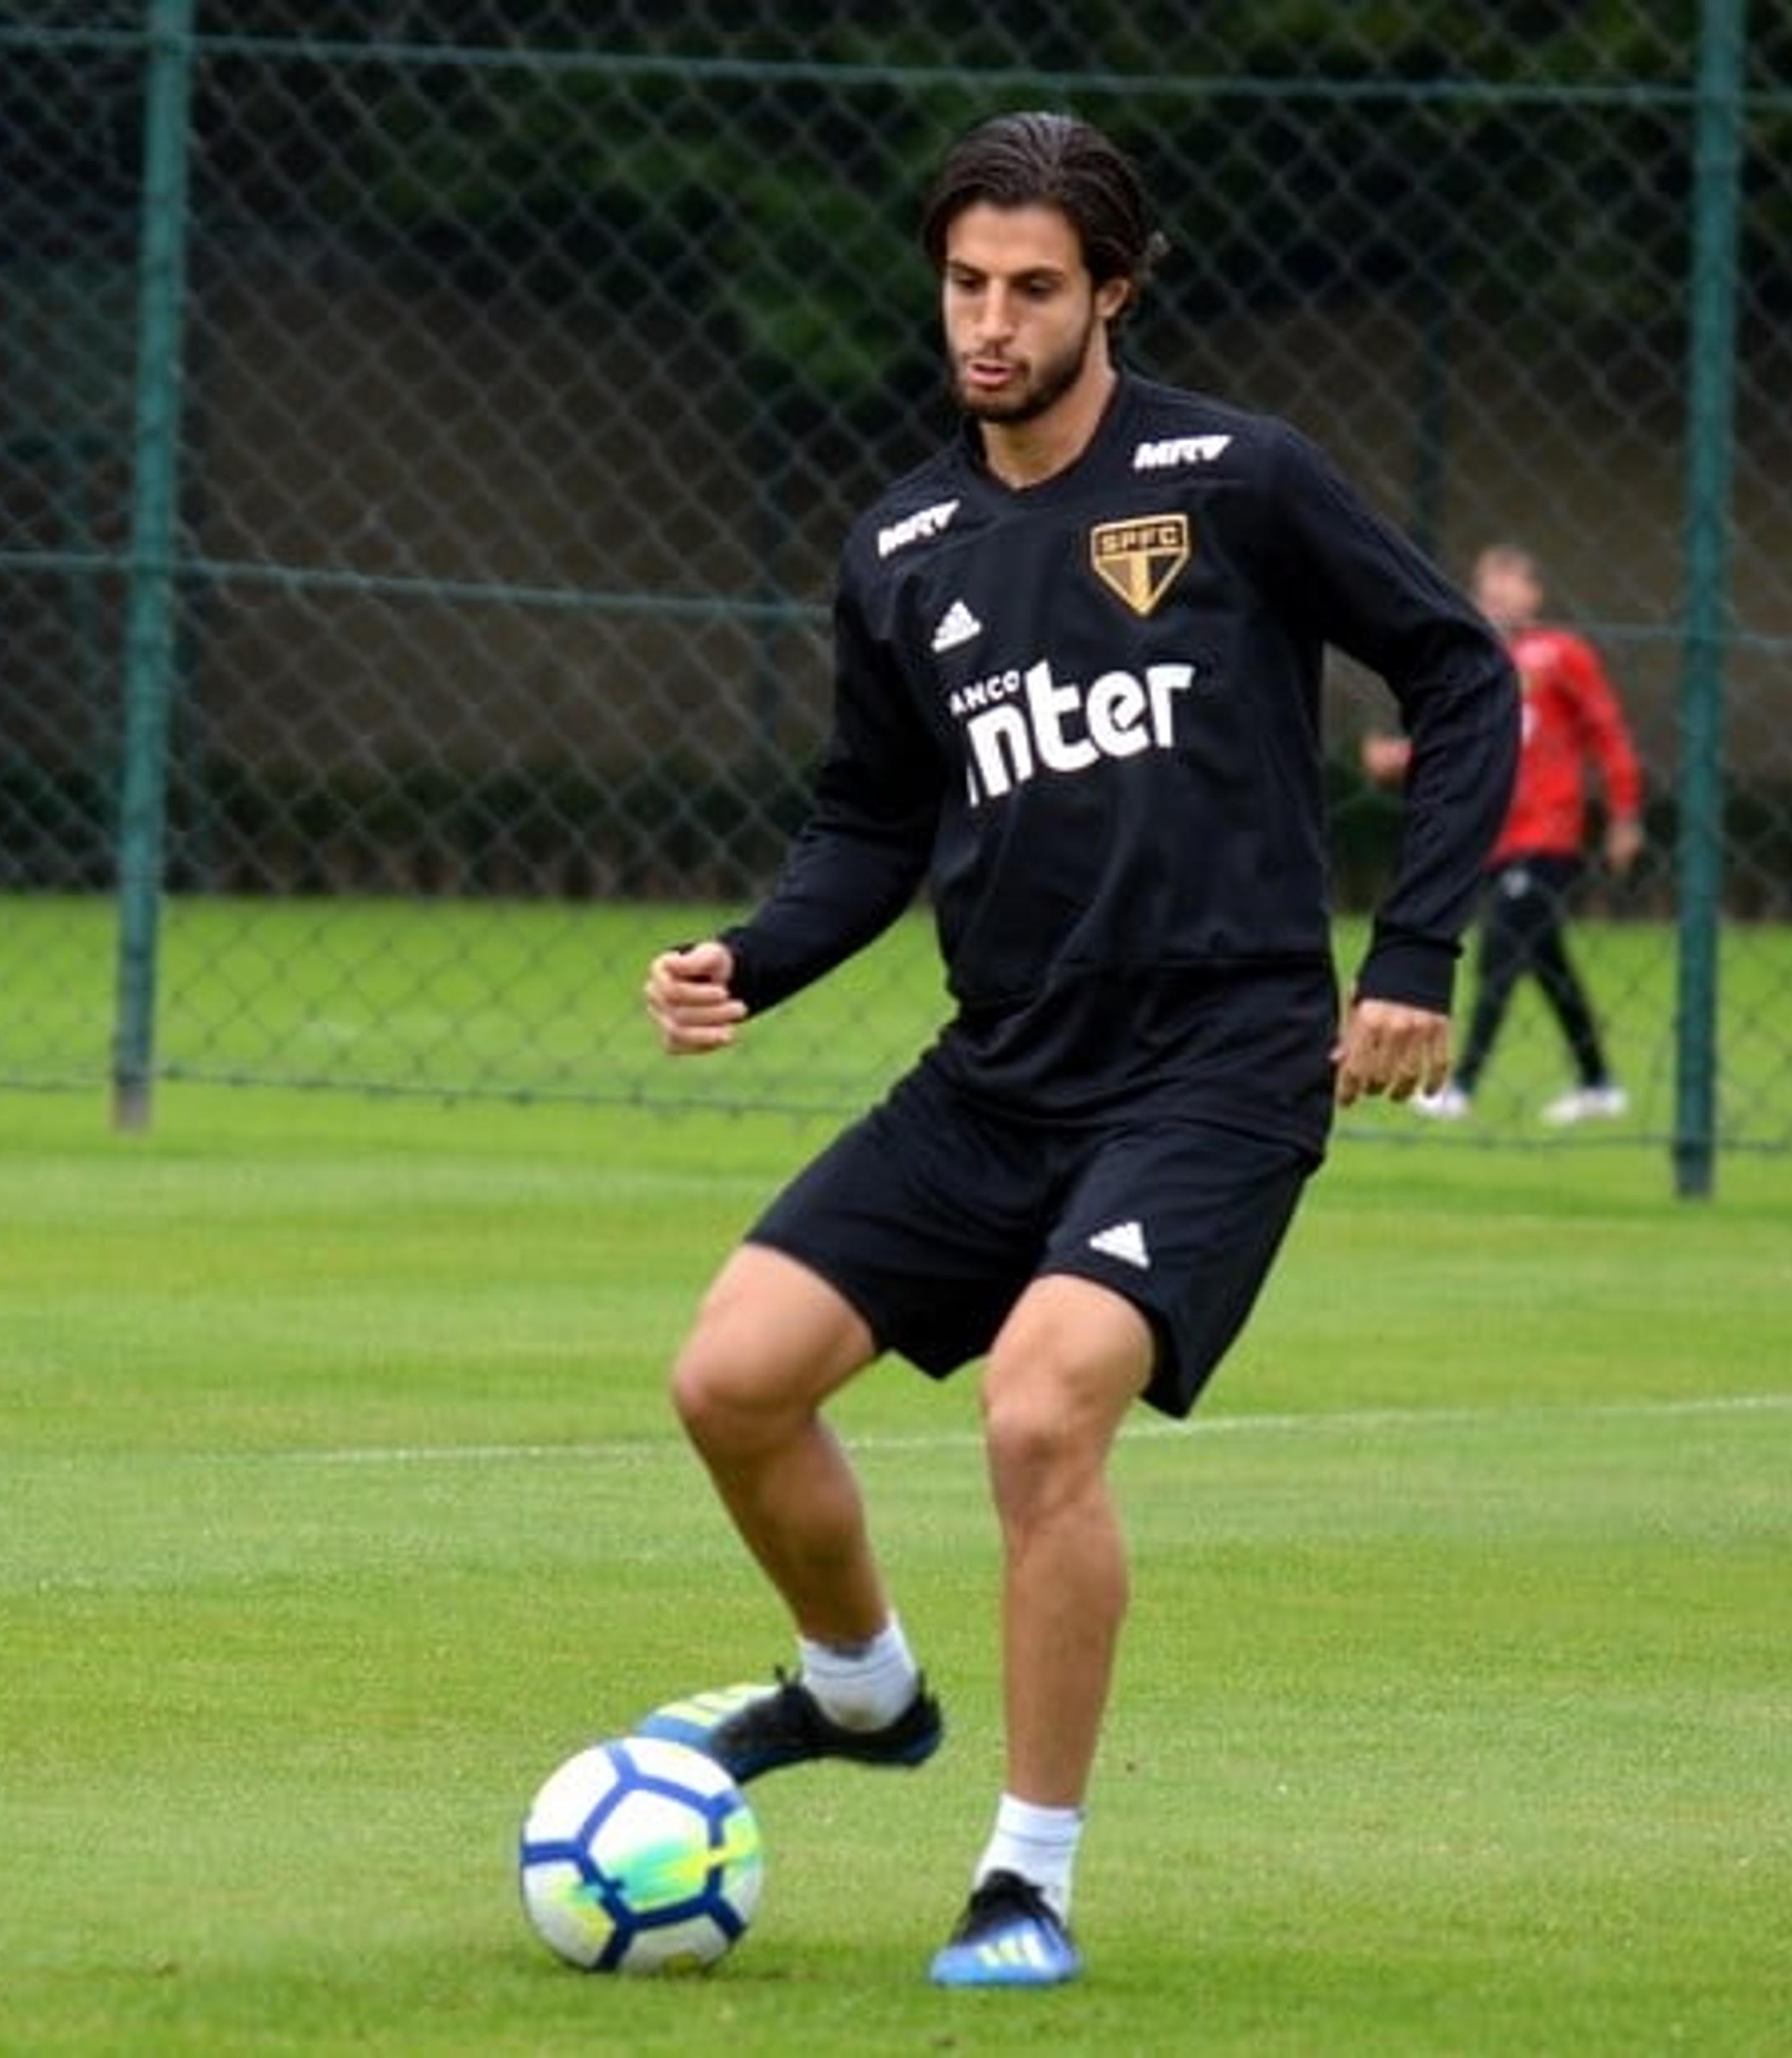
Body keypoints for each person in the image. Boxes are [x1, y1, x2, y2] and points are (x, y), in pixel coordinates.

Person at [634, 111, 1515, 1989]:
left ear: (1114, 288)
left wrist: (1415, 949)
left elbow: (1457, 665)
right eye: (966, 283)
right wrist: (752, 959)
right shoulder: (903, 545)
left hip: (1217, 1066)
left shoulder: (1234, 477)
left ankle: (1026, 1876)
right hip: (1002, 1070)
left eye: (1035, 287)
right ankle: (863, 1692)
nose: (992, 321)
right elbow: (871, 821)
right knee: (730, 1377)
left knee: (1038, 1409)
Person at [1362, 543, 1643, 1126]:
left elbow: (1608, 734)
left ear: (1534, 594)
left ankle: (1459, 1087)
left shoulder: (1560, 653)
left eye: (1507, 582)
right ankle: (1599, 1084)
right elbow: (1470, 744)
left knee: (1501, 950)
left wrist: (1624, 815)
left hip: (1548, 834)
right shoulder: (1478, 659)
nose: (1493, 593)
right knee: (1547, 963)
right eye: (1485, 584)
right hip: (1494, 836)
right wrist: (1402, 758)